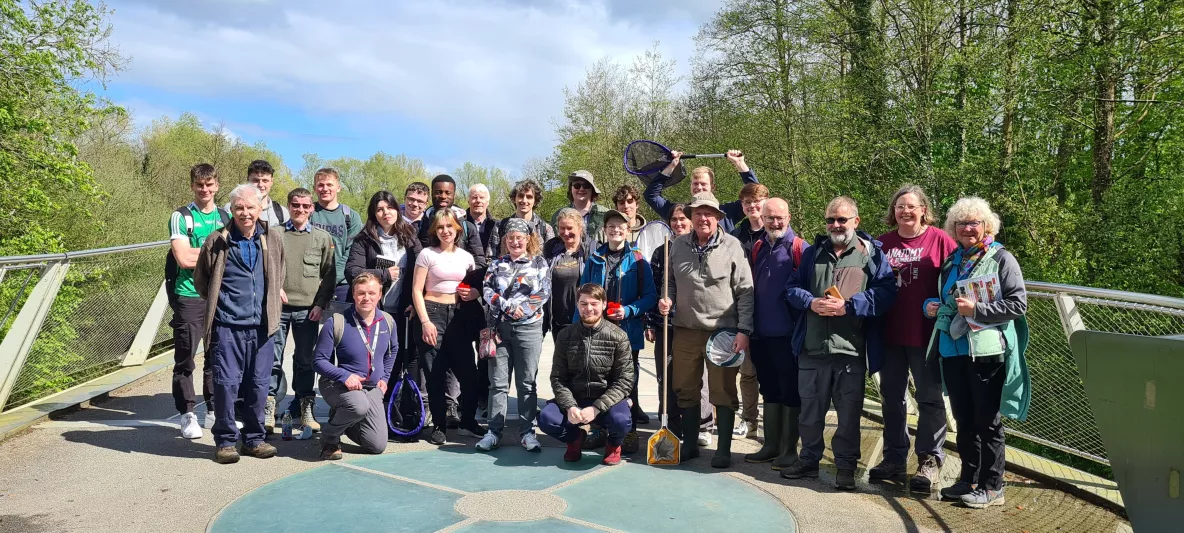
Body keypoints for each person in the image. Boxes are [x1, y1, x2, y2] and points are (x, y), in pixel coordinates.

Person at [782, 196, 897, 491]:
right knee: (810, 411)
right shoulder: (812, 253)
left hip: (851, 350)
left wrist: (850, 306)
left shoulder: (870, 254)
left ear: (855, 222)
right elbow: (792, 288)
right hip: (813, 347)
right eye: (830, 219)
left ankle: (845, 467)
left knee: (848, 415)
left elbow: (885, 293)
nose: (835, 225)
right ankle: (809, 460)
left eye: (841, 220)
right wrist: (811, 302)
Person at [931, 197, 1030, 509]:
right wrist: (930, 307)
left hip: (986, 351)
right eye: (961, 223)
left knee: (987, 420)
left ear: (987, 225)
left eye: (974, 222)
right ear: (953, 228)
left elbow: (1018, 304)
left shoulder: (1001, 259)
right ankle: (968, 479)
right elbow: (944, 297)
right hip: (953, 348)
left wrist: (979, 309)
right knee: (963, 418)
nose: (967, 228)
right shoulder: (952, 260)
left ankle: (992, 486)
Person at [869, 184, 958, 491]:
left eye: (911, 206)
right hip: (890, 334)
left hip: (926, 334)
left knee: (930, 399)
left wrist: (947, 306)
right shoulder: (881, 244)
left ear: (924, 210)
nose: (905, 211)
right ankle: (894, 458)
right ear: (893, 212)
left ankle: (930, 461)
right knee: (892, 399)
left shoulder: (940, 240)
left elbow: (961, 274)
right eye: (900, 206)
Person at [656, 192, 754, 468]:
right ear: (690, 217)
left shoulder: (732, 246)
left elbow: (746, 291)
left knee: (722, 392)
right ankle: (689, 445)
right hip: (685, 330)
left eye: (709, 213)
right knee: (685, 389)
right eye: (697, 213)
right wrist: (668, 299)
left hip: (723, 332)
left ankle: (723, 449)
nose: (703, 218)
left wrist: (744, 330)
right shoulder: (677, 246)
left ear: (718, 217)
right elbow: (670, 282)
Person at [193, 184, 286, 464]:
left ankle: (255, 440)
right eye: (239, 208)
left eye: (250, 207)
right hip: (227, 326)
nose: (245, 213)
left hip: (262, 326)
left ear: (260, 208)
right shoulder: (217, 241)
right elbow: (202, 281)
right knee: (226, 385)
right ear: (231, 210)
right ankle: (225, 441)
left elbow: (279, 272)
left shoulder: (272, 238)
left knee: (258, 385)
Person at [345, 190, 423, 430]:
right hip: (373, 313)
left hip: (403, 310)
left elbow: (421, 268)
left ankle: (399, 413)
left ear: (395, 210)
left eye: (389, 208)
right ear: (373, 214)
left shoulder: (409, 236)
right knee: (374, 362)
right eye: (379, 209)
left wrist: (413, 298)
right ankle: (370, 414)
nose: (385, 213)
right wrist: (382, 275)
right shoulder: (364, 239)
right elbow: (352, 272)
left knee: (400, 361)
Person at [580, 209, 657, 444]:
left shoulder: (639, 260)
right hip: (598, 331)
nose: (616, 230)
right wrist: (578, 327)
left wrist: (629, 310)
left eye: (620, 226)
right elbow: (583, 294)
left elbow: (650, 296)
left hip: (627, 331)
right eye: (611, 226)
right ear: (605, 230)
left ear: (628, 229)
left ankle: (629, 430)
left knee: (627, 383)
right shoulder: (595, 259)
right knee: (597, 381)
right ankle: (599, 428)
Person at [416, 174, 486, 428]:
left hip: (459, 314)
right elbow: (416, 290)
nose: (446, 231)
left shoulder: (467, 256)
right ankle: (439, 425)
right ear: (435, 230)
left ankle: (468, 420)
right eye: (441, 227)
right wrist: (424, 320)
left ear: (458, 230)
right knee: (434, 373)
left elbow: (476, 281)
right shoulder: (426, 254)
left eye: (450, 227)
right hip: (433, 313)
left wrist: (476, 293)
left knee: (468, 372)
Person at [539, 283, 635, 466]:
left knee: (621, 420)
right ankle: (575, 439)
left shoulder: (618, 336)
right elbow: (558, 377)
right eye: (583, 304)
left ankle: (613, 444)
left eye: (594, 303)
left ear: (604, 304)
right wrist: (569, 407)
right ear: (577, 305)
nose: (589, 308)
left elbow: (625, 380)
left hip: (607, 400)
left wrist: (597, 408)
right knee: (546, 418)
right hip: (577, 398)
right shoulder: (565, 336)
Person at [477, 218, 551, 452]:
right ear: (505, 240)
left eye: (519, 237)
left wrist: (525, 310)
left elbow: (544, 291)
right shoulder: (496, 264)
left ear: (528, 239)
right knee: (498, 383)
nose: (515, 241)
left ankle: (527, 431)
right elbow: (487, 290)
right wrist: (508, 306)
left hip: (529, 328)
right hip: (500, 329)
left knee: (526, 382)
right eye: (510, 238)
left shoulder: (539, 263)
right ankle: (493, 431)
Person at [645, 203, 714, 448]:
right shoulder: (660, 252)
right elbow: (653, 290)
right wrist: (651, 322)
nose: (678, 223)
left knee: (699, 376)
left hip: (694, 323)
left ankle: (703, 424)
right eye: (674, 219)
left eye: (683, 219)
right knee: (667, 375)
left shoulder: (701, 247)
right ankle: (670, 423)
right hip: (666, 323)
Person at [742, 198, 804, 470]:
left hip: (788, 336)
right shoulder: (758, 247)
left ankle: (790, 450)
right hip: (761, 335)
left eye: (779, 217)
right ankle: (771, 445)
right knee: (769, 389)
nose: (775, 223)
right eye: (770, 218)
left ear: (788, 217)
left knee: (790, 392)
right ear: (763, 219)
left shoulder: (800, 248)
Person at [168, 163, 229, 439]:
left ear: (217, 186)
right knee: (186, 357)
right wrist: (215, 256)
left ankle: (214, 409)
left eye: (209, 185)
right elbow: (182, 258)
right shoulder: (181, 217)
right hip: (189, 295)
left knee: (216, 355)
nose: (205, 189)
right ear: (192, 186)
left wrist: (200, 255)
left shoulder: (226, 216)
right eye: (199, 185)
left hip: (217, 295)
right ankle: (187, 412)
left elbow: (233, 257)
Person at [268, 188, 336, 434]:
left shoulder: (322, 238)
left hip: (308, 311)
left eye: (306, 206)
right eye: (296, 205)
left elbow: (329, 275)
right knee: (273, 360)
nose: (301, 210)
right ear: (289, 205)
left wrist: (320, 304)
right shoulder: (275, 234)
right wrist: (275, 288)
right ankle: (269, 407)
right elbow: (266, 267)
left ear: (312, 209)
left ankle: (306, 407)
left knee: (305, 361)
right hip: (278, 308)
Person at [313, 273, 397, 460]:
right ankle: (330, 437)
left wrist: (385, 378)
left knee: (377, 445)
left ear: (380, 294)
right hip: (338, 384)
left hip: (372, 388)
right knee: (358, 405)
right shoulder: (337, 322)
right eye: (361, 293)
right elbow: (318, 361)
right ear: (353, 294)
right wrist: (344, 376)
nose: (366, 298)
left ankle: (346, 421)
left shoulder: (388, 321)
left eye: (371, 293)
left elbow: (393, 350)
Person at [732, 182, 770, 439]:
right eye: (747, 203)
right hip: (742, 309)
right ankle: (749, 419)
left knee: (770, 371)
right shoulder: (736, 235)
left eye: (756, 202)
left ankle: (775, 422)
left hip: (771, 312)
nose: (752, 207)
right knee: (747, 372)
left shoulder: (777, 230)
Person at [644, 150, 758, 233]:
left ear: (713, 187)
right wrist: (671, 166)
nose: (698, 187)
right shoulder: (679, 212)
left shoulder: (727, 212)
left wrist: (740, 164)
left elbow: (756, 194)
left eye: (703, 184)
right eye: (695, 183)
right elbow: (651, 196)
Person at [309, 168, 363, 315]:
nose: (325, 189)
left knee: (340, 331)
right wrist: (315, 278)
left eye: (329, 184)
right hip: (312, 284)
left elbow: (352, 252)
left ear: (338, 187)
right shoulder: (308, 213)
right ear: (314, 189)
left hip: (342, 285)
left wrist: (330, 279)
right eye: (320, 185)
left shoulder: (351, 216)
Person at [543, 208, 591, 340]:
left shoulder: (590, 250)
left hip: (583, 319)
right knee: (561, 360)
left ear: (580, 227)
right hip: (557, 319)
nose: (565, 232)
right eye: (562, 228)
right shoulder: (552, 250)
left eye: (570, 228)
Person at [225, 160, 288, 227]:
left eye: (265, 181)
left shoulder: (282, 213)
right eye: (256, 180)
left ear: (272, 181)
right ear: (248, 180)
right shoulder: (229, 209)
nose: (260, 185)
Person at [551, 170, 609, 239]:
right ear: (571, 189)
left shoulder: (605, 214)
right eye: (577, 186)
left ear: (592, 189)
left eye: (586, 186)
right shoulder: (558, 215)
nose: (581, 189)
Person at [498, 179, 555, 244]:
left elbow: (551, 254)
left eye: (529, 197)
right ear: (514, 199)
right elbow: (492, 253)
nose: (524, 200)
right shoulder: (501, 226)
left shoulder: (546, 229)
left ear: (535, 201)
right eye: (521, 196)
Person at [466, 184, 500, 267]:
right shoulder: (459, 224)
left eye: (481, 197)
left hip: (491, 271)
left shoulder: (497, 226)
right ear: (468, 201)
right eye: (474, 197)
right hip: (467, 271)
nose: (478, 200)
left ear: (487, 202)